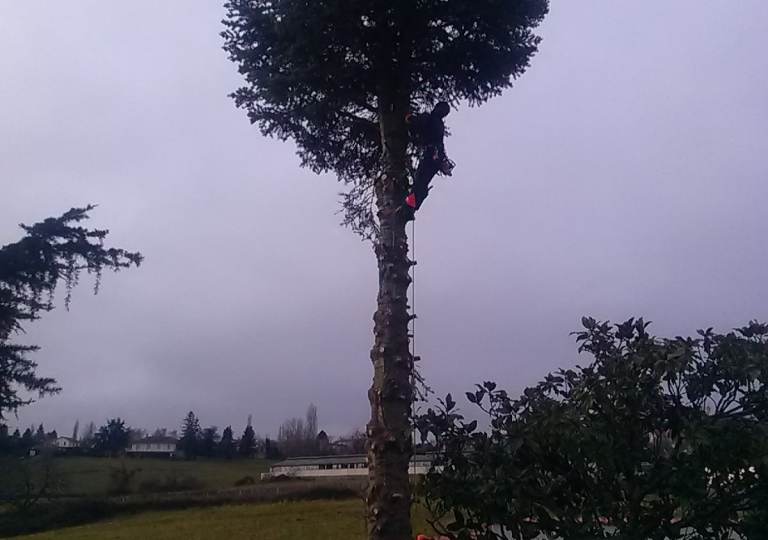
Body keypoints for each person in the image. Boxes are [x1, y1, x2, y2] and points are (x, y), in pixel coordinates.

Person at [404, 102, 455, 211]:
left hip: (431, 154)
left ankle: (409, 207)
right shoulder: (439, 125)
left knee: (419, 181)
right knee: (422, 182)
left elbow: (414, 123)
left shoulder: (429, 118)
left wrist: (409, 117)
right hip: (437, 156)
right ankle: (412, 206)